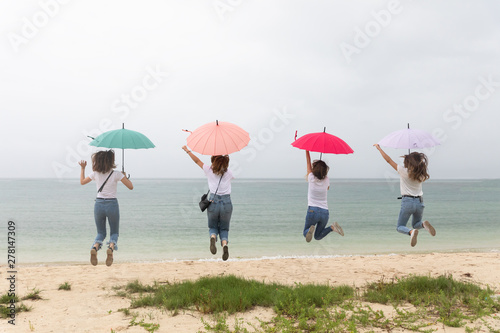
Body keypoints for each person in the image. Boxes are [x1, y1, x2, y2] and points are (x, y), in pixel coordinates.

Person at [373, 144, 436, 247]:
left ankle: (411, 232)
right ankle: (423, 224)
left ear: (408, 162)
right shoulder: (421, 174)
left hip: (408, 202)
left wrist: (379, 149)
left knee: (400, 226)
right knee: (416, 224)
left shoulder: (403, 171)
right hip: (420, 203)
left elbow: (388, 160)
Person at [79, 150, 133, 266]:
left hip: (98, 204)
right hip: (112, 204)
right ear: (111, 161)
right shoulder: (117, 174)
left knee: (101, 233)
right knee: (114, 232)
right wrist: (124, 175)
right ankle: (111, 248)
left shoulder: (95, 173)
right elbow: (130, 187)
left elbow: (82, 182)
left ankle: (95, 247)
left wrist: (83, 168)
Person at [182, 145, 233, 261]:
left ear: (213, 161)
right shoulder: (229, 172)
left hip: (213, 202)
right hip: (226, 202)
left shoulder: (209, 170)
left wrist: (187, 150)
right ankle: (224, 245)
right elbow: (228, 172)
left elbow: (197, 161)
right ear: (225, 162)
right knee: (224, 228)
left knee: (213, 226)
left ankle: (213, 237)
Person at [303, 150, 344, 242]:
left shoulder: (311, 177)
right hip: (324, 212)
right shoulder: (326, 179)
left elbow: (308, 162)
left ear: (315, 169)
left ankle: (309, 230)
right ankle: (332, 227)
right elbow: (327, 188)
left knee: (305, 232)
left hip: (312, 210)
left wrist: (307, 150)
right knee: (317, 236)